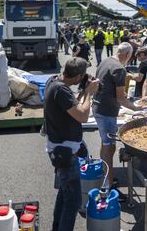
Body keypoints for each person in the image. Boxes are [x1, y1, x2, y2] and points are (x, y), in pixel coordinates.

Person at [44, 57, 99, 231]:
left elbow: (72, 104)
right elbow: (82, 116)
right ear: (78, 76)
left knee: (64, 194)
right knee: (73, 201)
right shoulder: (61, 90)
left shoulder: (54, 81)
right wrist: (90, 93)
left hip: (60, 146)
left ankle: (56, 227)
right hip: (65, 151)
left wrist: (83, 90)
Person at [92, 42, 139, 201]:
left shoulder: (105, 61)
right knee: (109, 147)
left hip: (99, 108)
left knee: (105, 144)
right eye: (130, 57)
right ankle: (108, 186)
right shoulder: (119, 68)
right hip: (106, 111)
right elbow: (120, 98)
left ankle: (107, 177)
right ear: (126, 55)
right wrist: (136, 109)